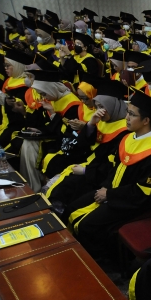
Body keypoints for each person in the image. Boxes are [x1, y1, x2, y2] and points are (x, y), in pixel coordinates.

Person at [65, 88, 151, 258]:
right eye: (127, 112)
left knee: (87, 225)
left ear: (146, 121)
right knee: (72, 208)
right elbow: (112, 168)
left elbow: (143, 192)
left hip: (131, 202)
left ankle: (99, 265)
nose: (126, 118)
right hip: (110, 191)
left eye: (132, 114)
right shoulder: (127, 138)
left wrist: (109, 195)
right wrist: (105, 189)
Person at [44, 80, 129, 210]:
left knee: (67, 187)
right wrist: (91, 124)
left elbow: (112, 164)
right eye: (97, 106)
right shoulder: (104, 121)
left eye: (102, 107)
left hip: (100, 175)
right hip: (90, 164)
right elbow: (84, 144)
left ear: (113, 106)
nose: (99, 111)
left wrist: (86, 171)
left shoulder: (125, 130)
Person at [20, 70, 82, 192]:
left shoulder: (73, 104)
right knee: (27, 142)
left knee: (31, 145)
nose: (44, 97)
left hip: (68, 143)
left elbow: (68, 132)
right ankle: (30, 183)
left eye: (44, 93)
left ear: (51, 89)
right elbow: (50, 126)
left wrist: (53, 114)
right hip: (56, 137)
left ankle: (35, 186)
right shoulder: (53, 99)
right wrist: (39, 130)